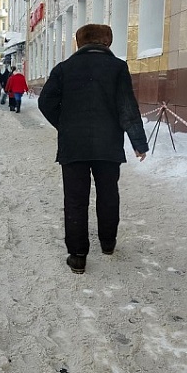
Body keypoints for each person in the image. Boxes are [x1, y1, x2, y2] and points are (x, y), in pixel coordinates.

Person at [38, 24, 148, 275]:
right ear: (107, 42)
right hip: (108, 144)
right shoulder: (118, 68)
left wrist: (65, 125)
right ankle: (108, 243)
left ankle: (77, 257)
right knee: (108, 194)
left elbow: (46, 102)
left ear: (79, 43)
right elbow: (127, 106)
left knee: (75, 199)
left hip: (73, 145)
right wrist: (138, 143)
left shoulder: (64, 69)